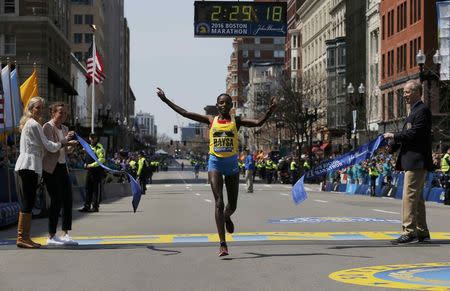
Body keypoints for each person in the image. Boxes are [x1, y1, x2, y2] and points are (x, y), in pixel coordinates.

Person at [157, 87, 276, 256]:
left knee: (232, 205)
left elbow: (258, 123)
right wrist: (165, 100)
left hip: (232, 165)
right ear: (217, 105)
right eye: (221, 103)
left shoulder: (237, 120)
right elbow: (185, 113)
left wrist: (270, 111)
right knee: (219, 201)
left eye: (227, 103)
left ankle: (227, 216)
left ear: (230, 106)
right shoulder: (210, 120)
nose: (224, 105)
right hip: (215, 164)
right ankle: (222, 243)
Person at [14, 97, 76, 248]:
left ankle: (24, 237)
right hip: (29, 165)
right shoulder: (35, 124)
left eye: (41, 107)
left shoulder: (32, 124)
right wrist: (64, 142)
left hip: (31, 165)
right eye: (37, 108)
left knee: (29, 200)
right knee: (29, 201)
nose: (40, 110)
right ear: (30, 109)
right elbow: (49, 146)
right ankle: (23, 237)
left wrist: (66, 145)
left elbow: (49, 147)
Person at [384, 80, 433, 244]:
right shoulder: (414, 111)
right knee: (417, 197)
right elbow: (409, 135)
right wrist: (392, 146)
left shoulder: (422, 111)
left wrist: (394, 136)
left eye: (407, 92)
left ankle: (409, 231)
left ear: (417, 92)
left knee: (409, 196)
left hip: (416, 161)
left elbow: (415, 134)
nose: (404, 95)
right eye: (404, 92)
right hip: (412, 161)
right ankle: (421, 231)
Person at [42, 102, 78, 246]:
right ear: (53, 113)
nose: (63, 115)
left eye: (65, 113)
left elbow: (65, 150)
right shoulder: (47, 127)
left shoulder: (64, 128)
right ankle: (51, 235)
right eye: (60, 112)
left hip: (63, 166)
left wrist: (71, 145)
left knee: (68, 199)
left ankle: (65, 233)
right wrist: (66, 141)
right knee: (56, 200)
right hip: (51, 168)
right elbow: (51, 147)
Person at [79, 133, 105, 213]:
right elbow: (87, 157)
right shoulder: (88, 146)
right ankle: (87, 206)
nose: (92, 139)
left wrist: (91, 165)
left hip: (97, 171)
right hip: (89, 171)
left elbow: (101, 160)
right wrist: (85, 163)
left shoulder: (100, 147)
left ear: (97, 138)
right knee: (87, 188)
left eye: (94, 138)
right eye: (91, 138)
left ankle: (95, 207)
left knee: (95, 189)